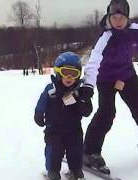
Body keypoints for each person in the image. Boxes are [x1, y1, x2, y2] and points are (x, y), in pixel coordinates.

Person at [80, 0, 138, 174]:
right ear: (109, 18)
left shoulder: (137, 30)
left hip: (127, 76)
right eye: (114, 17)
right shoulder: (105, 37)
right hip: (106, 79)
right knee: (106, 113)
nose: (118, 21)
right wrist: (88, 85)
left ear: (127, 18)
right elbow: (93, 62)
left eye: (121, 18)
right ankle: (89, 152)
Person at [34, 52, 93, 180]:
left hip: (74, 130)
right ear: (58, 72)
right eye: (66, 72)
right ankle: (53, 171)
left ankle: (75, 169)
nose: (69, 77)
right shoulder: (51, 89)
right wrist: (39, 113)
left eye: (74, 74)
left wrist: (83, 103)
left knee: (76, 150)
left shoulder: (79, 92)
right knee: (54, 151)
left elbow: (88, 111)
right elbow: (42, 102)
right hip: (53, 129)